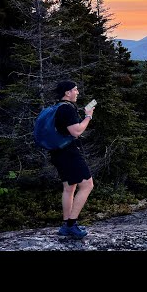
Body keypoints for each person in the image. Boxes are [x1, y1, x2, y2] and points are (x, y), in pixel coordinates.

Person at [50, 80, 95, 239]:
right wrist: (88, 116)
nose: (77, 92)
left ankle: (65, 225)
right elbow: (76, 131)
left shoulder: (58, 108)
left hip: (57, 152)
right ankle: (71, 225)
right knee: (87, 185)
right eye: (75, 90)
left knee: (69, 188)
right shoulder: (68, 109)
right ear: (67, 93)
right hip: (68, 153)